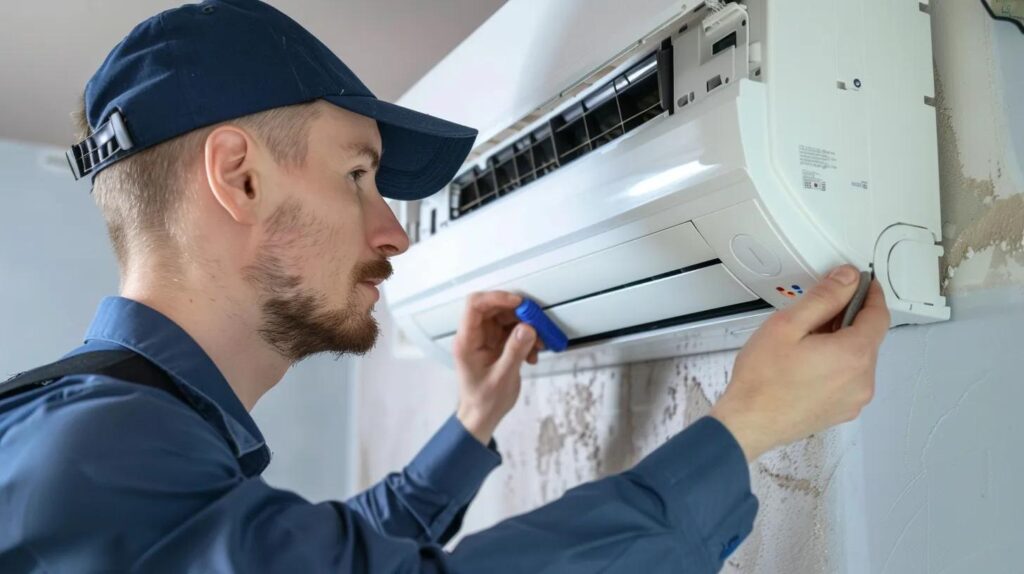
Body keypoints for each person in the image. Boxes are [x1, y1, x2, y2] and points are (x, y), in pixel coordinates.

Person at [0, 1, 890, 572]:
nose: (392, 231)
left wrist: (473, 422)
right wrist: (747, 426)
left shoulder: (94, 442)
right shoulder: (97, 461)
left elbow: (337, 559)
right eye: (358, 175)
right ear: (239, 178)